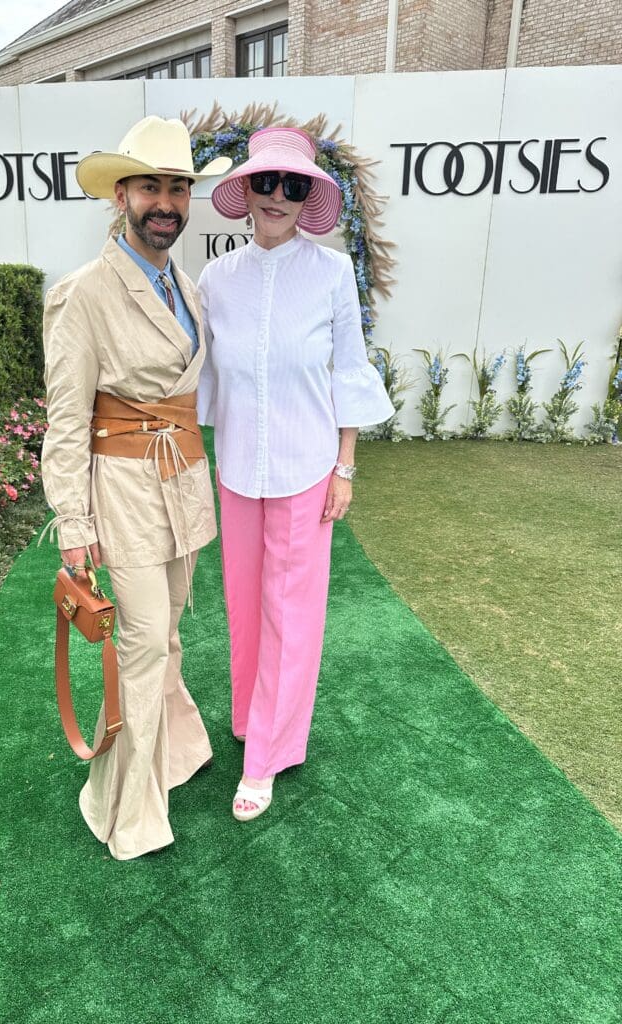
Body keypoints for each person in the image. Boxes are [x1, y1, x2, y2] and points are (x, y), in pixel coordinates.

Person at [40, 115, 231, 860]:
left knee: (169, 633)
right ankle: (124, 809)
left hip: (183, 477)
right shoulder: (83, 293)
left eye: (178, 187)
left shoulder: (187, 284)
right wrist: (73, 519)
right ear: (121, 195)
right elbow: (66, 416)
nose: (167, 202)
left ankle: (169, 755)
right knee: (145, 641)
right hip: (119, 485)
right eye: (150, 185)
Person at [197, 126, 394, 821]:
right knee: (244, 605)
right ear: (245, 190)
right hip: (236, 470)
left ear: (307, 194)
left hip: (308, 467)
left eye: (293, 185)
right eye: (265, 182)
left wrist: (346, 466)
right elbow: (202, 375)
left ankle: (267, 758)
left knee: (292, 612)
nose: (277, 196)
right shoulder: (217, 280)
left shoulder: (333, 273)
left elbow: (348, 372)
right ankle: (255, 717)